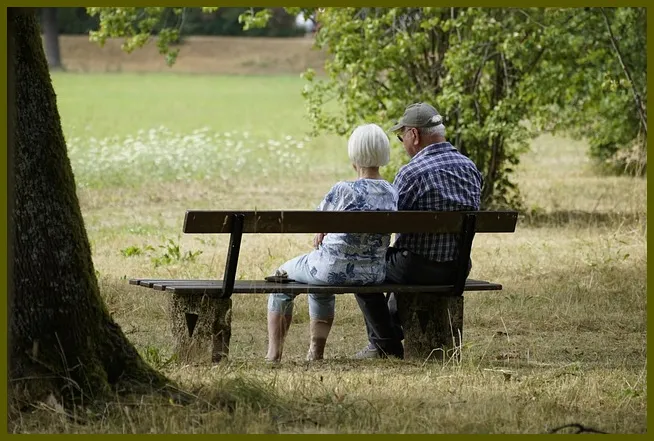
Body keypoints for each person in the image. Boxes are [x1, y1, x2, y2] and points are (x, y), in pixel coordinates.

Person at [353, 102, 483, 359]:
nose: (403, 143)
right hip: (457, 268)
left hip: (416, 268)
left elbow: (387, 222)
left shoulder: (411, 173)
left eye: (402, 137)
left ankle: (385, 344)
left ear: (414, 134)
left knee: (361, 267)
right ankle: (390, 333)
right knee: (397, 260)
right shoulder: (470, 168)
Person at [266, 123, 399, 362]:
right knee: (319, 283)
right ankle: (315, 353)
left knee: (281, 277)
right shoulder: (392, 192)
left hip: (331, 270)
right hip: (372, 274)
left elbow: (317, 222)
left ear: (354, 154)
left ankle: (273, 355)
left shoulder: (343, 190)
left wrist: (322, 231)